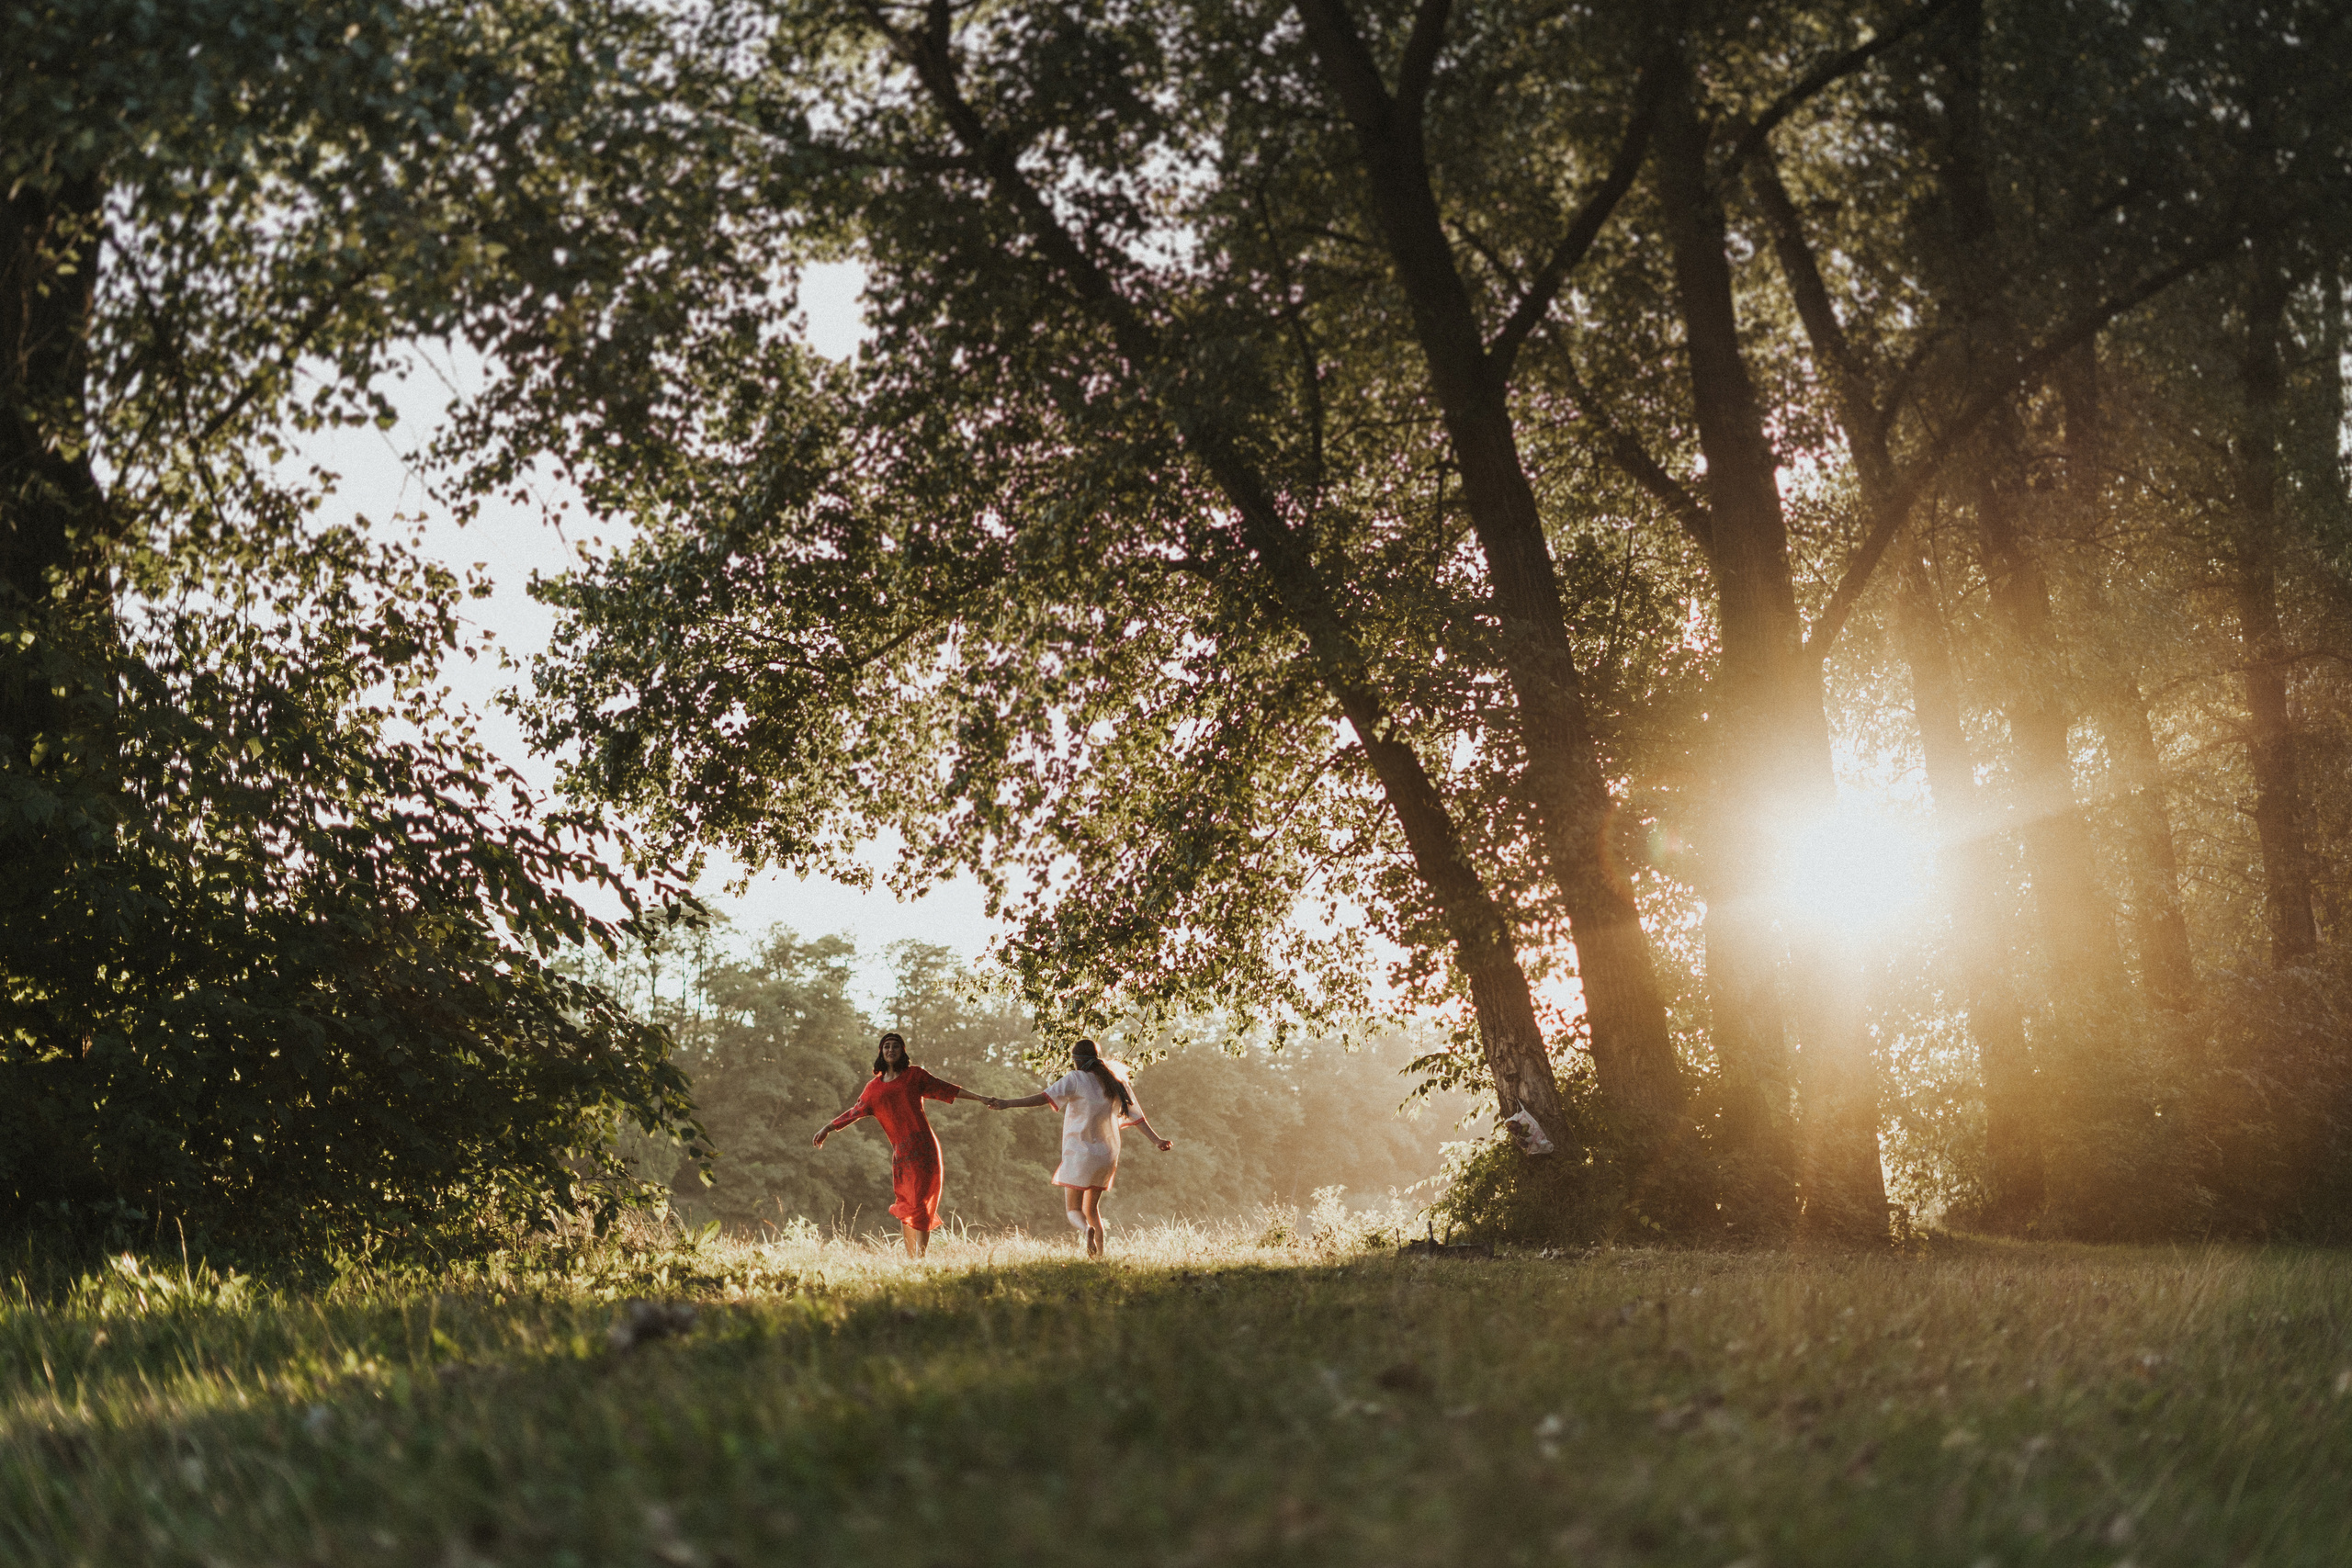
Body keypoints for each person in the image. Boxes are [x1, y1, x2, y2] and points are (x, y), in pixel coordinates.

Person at [987, 1038, 1171, 1257]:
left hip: (1080, 1154)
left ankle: (1086, 1230)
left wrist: (1007, 1103)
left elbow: (1042, 1098)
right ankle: (1099, 1258)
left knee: (1073, 1209)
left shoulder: (1075, 1079)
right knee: (1092, 1210)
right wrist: (1157, 1140)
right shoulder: (1116, 1082)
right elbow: (1137, 1117)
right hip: (1106, 1156)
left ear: (1077, 1060)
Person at [812, 1031, 977, 1258]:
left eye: (896, 1046)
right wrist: (828, 1127)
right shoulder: (873, 1088)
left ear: (902, 1052)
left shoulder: (914, 1076)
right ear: (881, 1051)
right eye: (887, 1046)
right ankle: (911, 1260)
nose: (891, 1050)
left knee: (920, 1202)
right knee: (907, 1203)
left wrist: (983, 1098)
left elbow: (947, 1089)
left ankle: (921, 1259)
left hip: (924, 1148)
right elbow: (854, 1112)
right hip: (902, 1154)